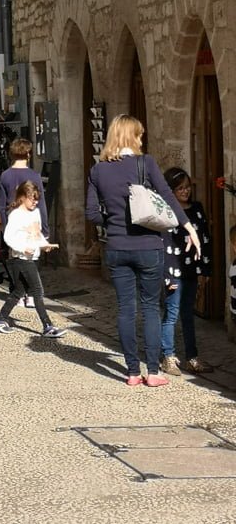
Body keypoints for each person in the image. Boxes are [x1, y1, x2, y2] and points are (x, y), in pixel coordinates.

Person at [86, 114, 201, 387]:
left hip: (116, 247)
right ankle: (152, 372)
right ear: (131, 136)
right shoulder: (145, 162)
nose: (141, 139)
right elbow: (168, 196)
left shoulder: (98, 170)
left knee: (126, 308)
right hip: (149, 246)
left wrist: (114, 222)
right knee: (150, 307)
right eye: (139, 135)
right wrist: (189, 228)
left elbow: (91, 213)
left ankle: (132, 372)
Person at [0, 180, 65, 337]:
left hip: (31, 257)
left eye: (37, 198)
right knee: (37, 291)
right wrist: (21, 248)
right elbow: (8, 236)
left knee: (18, 291)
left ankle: (0, 318)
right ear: (23, 197)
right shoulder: (16, 215)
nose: (35, 202)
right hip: (21, 259)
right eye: (32, 198)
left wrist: (44, 245)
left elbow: (36, 234)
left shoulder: (36, 212)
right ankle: (47, 326)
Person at [160, 167, 213, 376]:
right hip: (173, 270)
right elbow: (163, 244)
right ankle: (168, 356)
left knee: (188, 315)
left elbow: (205, 239)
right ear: (171, 190)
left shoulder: (197, 209)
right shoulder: (167, 212)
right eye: (180, 188)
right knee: (171, 314)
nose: (185, 191)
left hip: (192, 269)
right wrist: (166, 275)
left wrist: (206, 270)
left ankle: (192, 357)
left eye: (187, 187)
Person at [0, 137, 49, 308]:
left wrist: (5, 226)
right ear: (28, 153)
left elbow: (2, 204)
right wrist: (44, 229)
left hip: (13, 222)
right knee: (32, 258)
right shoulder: (33, 175)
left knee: (16, 259)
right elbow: (40, 204)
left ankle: (17, 292)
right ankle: (32, 295)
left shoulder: (5, 176)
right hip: (31, 222)